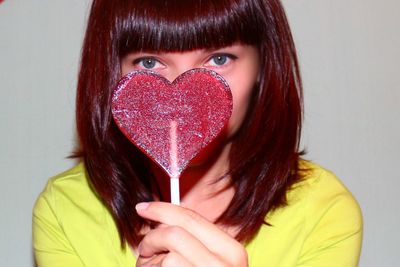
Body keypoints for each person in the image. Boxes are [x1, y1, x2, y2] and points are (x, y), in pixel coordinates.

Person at [32, 0, 363, 266]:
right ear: (109, 73)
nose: (185, 98)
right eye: (148, 63)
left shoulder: (323, 211)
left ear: (263, 66)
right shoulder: (65, 211)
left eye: (219, 59)